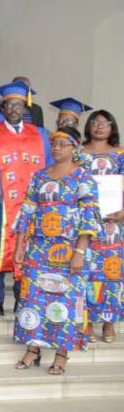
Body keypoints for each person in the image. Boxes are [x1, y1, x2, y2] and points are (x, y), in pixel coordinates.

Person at [12, 127, 100, 374]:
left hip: (70, 249)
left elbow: (89, 217)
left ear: (75, 147)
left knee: (67, 299)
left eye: (63, 144)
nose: (57, 148)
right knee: (33, 297)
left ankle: (62, 353)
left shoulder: (83, 178)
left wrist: (79, 252)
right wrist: (20, 246)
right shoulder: (40, 176)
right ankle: (33, 348)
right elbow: (27, 211)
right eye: (54, 144)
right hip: (39, 249)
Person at [0, 81, 52, 316]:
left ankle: (22, 297)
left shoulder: (39, 134)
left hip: (32, 204)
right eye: (9, 105)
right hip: (1, 204)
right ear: (3, 108)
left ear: (25, 108)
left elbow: (49, 166)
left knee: (28, 250)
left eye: (18, 105)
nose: (13, 109)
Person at [80, 109, 123, 343]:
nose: (99, 126)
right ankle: (85, 320)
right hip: (85, 223)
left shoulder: (121, 154)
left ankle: (108, 322)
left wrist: (122, 212)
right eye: (95, 122)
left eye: (105, 123)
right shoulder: (78, 153)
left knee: (111, 273)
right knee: (86, 271)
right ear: (88, 127)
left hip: (112, 225)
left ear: (112, 127)